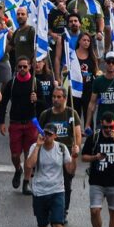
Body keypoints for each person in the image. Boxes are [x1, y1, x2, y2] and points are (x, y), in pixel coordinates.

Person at [0, 55, 44, 194]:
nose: (23, 69)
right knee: (15, 155)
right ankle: (18, 169)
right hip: (15, 123)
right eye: (20, 67)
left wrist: (37, 100)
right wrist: (1, 122)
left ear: (30, 66)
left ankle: (26, 182)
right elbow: (4, 102)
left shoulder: (36, 83)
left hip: (31, 123)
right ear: (16, 68)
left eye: (25, 66)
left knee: (29, 155)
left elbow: (45, 104)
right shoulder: (11, 84)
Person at [81, 112, 114, 227]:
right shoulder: (94, 137)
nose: (108, 130)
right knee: (94, 211)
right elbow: (83, 157)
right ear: (101, 125)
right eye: (105, 127)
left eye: (111, 127)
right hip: (96, 181)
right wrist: (95, 157)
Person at [38, 86, 82, 215]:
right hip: (49, 154)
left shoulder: (72, 114)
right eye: (53, 97)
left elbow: (78, 134)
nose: (55, 99)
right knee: (49, 182)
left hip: (66, 155)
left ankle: (63, 210)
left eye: (58, 97)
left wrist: (76, 149)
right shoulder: (46, 114)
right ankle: (51, 209)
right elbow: (39, 134)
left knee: (66, 185)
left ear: (65, 99)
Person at [26, 123, 75, 227]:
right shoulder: (35, 147)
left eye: (49, 134)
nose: (46, 135)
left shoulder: (61, 148)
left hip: (57, 191)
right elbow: (29, 165)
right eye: (45, 133)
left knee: (58, 225)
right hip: (40, 192)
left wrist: (74, 157)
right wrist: (38, 146)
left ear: (55, 136)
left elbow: (70, 170)